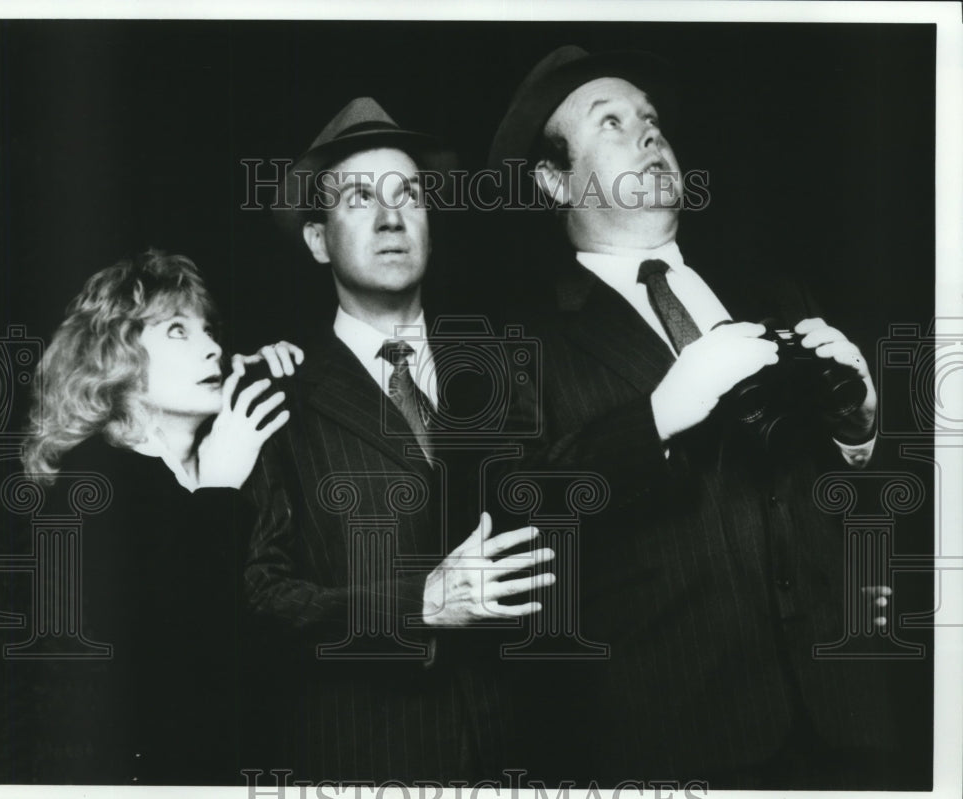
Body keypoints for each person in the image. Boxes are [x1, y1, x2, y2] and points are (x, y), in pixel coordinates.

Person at [485, 46, 898, 788]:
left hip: (847, 724)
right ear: (552, 179)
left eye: (649, 119)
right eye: (609, 122)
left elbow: (846, 512)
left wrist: (860, 431)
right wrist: (657, 416)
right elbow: (522, 514)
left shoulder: (773, 290)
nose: (647, 134)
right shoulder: (520, 345)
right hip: (680, 745)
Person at [244, 97, 554, 784]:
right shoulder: (274, 399)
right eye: (359, 197)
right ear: (317, 239)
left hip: (524, 754)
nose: (391, 216)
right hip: (366, 759)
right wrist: (422, 604)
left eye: (407, 194)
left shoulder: (503, 369)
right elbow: (262, 600)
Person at [19, 249, 293, 784]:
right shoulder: (89, 489)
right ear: (113, 355)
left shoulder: (239, 456)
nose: (213, 346)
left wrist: (295, 368)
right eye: (176, 331)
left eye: (209, 330)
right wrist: (217, 492)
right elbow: (175, 667)